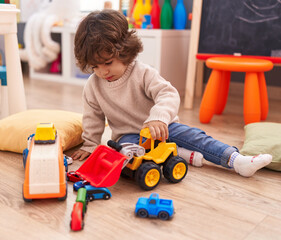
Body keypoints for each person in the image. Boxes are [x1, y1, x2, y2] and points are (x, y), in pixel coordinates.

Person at [71, 9, 272, 177]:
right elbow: (92, 117)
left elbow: (168, 94)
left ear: (124, 51)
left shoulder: (141, 72)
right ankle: (182, 155)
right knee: (124, 158)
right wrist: (90, 145)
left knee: (197, 137)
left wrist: (158, 119)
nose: (103, 71)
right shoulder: (93, 85)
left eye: (108, 63)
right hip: (129, 136)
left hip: (164, 127)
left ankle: (236, 161)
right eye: (95, 66)